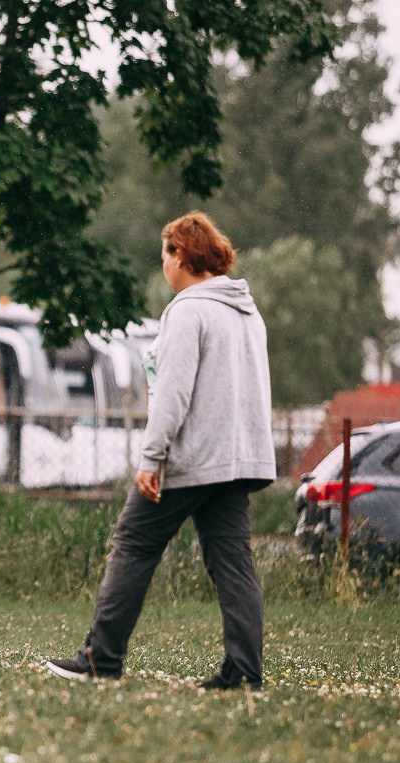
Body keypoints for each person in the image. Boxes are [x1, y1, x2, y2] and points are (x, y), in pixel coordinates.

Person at [46, 212, 276, 690]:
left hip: (191, 459)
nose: (164, 267)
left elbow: (173, 394)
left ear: (183, 255)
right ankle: (244, 670)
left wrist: (152, 458)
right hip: (238, 459)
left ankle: (101, 657)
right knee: (233, 562)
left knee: (133, 545)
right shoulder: (246, 312)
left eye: (166, 255)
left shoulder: (188, 310)